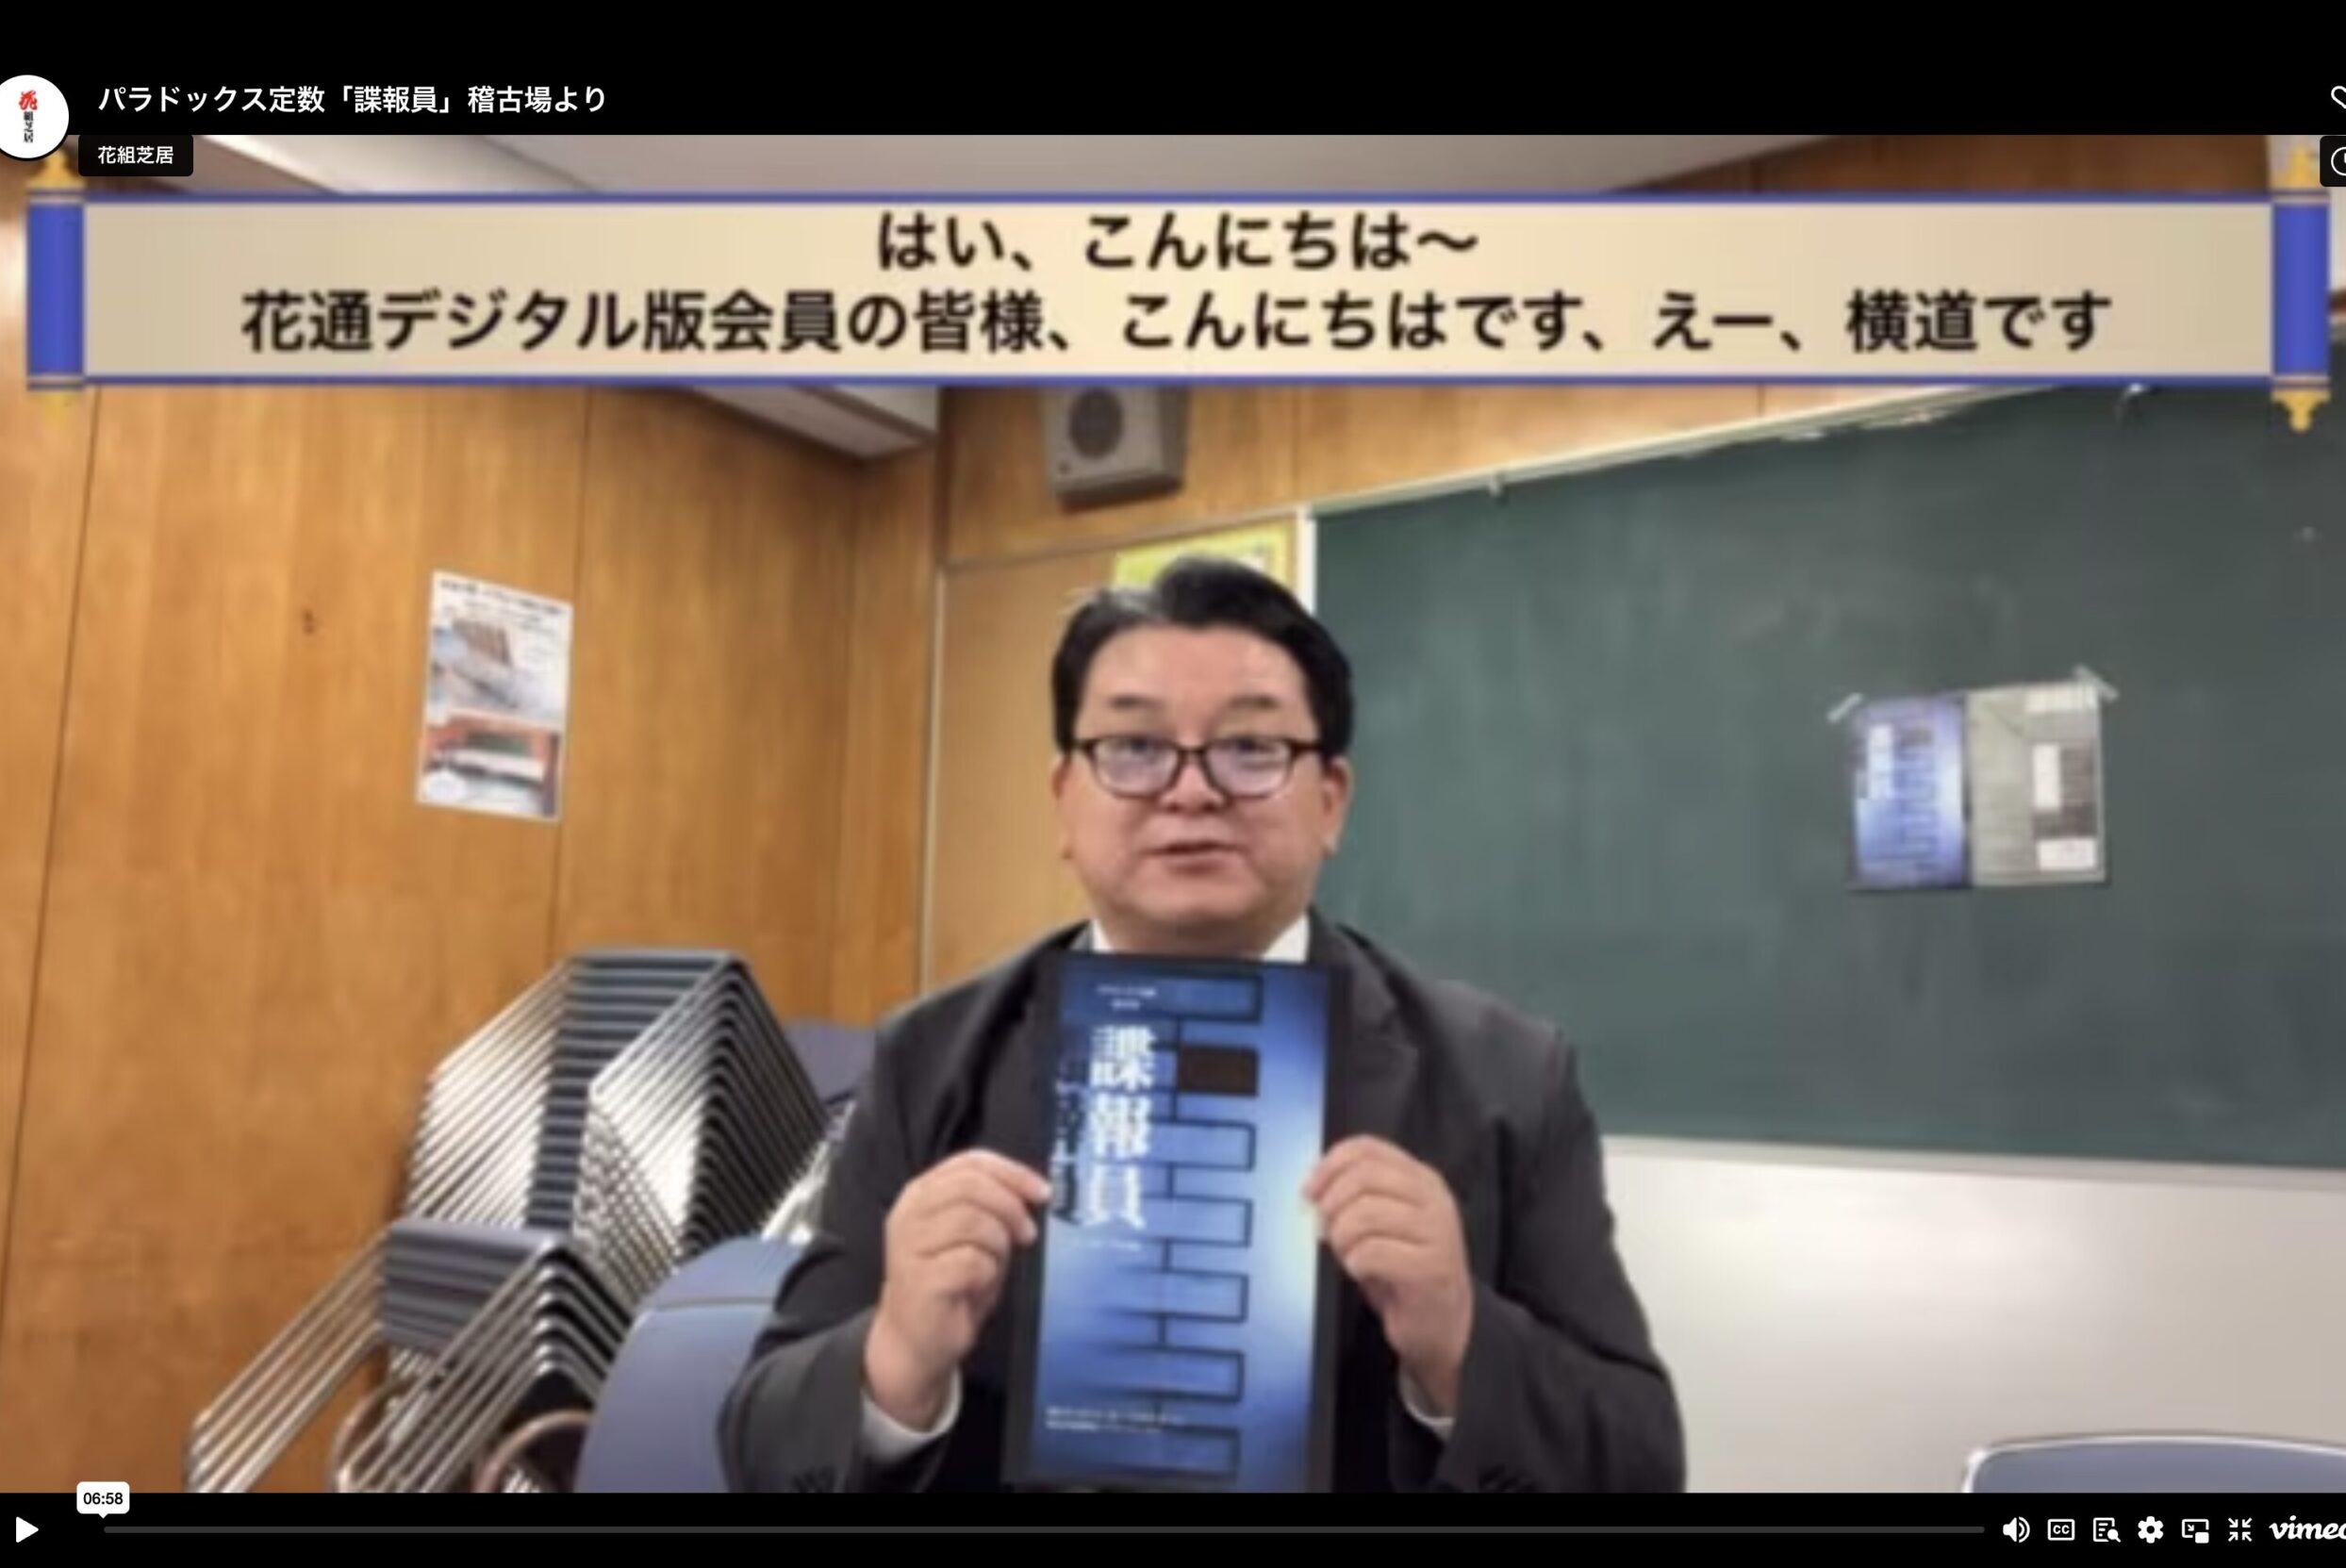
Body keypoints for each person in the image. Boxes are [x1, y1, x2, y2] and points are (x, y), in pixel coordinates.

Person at [719, 556, 1682, 1494]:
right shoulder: (929, 1058)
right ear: (1064, 799)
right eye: (1133, 747)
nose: (1190, 790)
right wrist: (892, 1362)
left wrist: (1461, 1342)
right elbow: (759, 1446)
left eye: (1251, 748)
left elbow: (1640, 1460)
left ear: (1330, 800)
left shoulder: (1507, 1077)